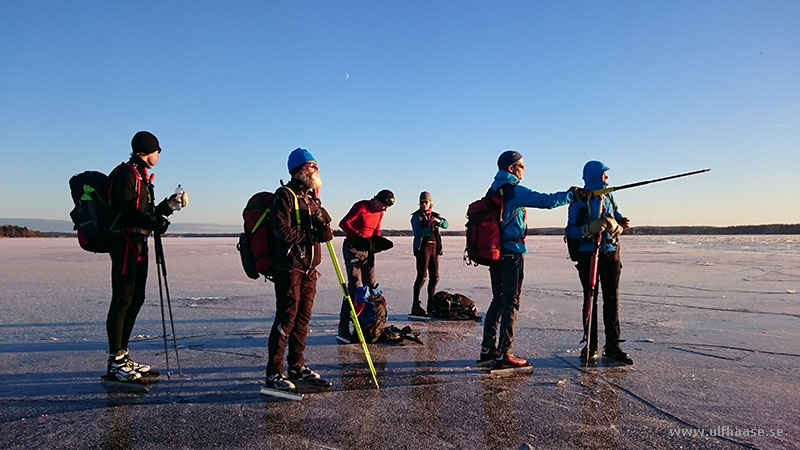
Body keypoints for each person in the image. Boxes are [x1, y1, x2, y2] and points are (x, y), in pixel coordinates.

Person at [480, 150, 584, 369]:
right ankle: (505, 352)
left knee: (498, 299)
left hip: (496, 253)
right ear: (511, 168)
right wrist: (571, 195)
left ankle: (488, 347)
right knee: (511, 302)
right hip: (512, 252)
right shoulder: (514, 190)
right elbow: (546, 201)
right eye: (522, 165)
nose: (524, 169)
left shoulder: (494, 189)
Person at [106, 131, 187, 382]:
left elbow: (145, 211)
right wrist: (156, 221)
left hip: (139, 243)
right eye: (156, 150)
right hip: (126, 244)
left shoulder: (142, 176)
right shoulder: (128, 173)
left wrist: (168, 206)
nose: (158, 154)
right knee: (123, 299)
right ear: (144, 151)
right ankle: (115, 360)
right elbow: (127, 211)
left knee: (136, 298)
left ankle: (123, 355)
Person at [265, 148, 334, 391]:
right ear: (300, 169)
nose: (316, 169)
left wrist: (324, 228)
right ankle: (274, 372)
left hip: (309, 269)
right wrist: (311, 235)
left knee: (303, 319)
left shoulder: (311, 197)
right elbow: (281, 231)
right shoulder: (285, 195)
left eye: (316, 164)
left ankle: (296, 364)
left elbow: (320, 227)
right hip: (290, 268)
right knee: (287, 318)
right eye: (312, 165)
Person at [565, 160, 633, 364]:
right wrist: (588, 229)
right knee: (590, 299)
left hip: (611, 253)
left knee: (612, 300)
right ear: (595, 176)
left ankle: (613, 345)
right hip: (588, 255)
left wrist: (620, 222)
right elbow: (570, 230)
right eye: (604, 175)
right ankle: (591, 345)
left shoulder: (609, 196)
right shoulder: (579, 201)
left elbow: (617, 216)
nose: (607, 178)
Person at [337, 189, 395, 340]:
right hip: (354, 247)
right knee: (355, 287)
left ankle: (367, 325)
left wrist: (377, 243)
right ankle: (343, 327)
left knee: (371, 286)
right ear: (376, 200)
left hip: (367, 249)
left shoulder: (380, 212)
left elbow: (376, 231)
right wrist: (358, 236)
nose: (385, 209)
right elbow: (343, 223)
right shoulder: (361, 207)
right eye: (384, 205)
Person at [409, 191, 448, 317]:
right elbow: (417, 232)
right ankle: (415, 305)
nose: (424, 204)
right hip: (422, 249)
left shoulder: (435, 215)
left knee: (435, 277)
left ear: (430, 202)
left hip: (434, 248)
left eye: (426, 202)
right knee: (421, 277)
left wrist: (439, 221)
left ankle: (430, 305)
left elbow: (446, 224)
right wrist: (430, 228)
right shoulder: (417, 217)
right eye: (422, 202)